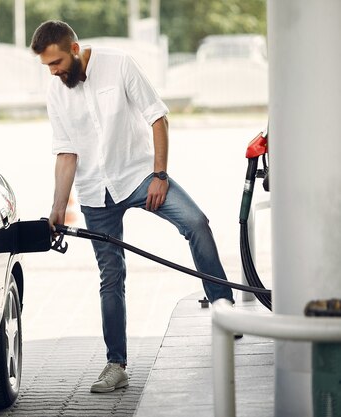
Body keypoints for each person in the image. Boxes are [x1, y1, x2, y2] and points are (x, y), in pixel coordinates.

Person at [30, 20, 235, 394]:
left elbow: (158, 117)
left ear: (74, 49)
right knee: (111, 276)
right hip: (95, 192)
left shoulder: (119, 64)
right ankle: (116, 364)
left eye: (56, 62)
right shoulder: (56, 91)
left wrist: (160, 174)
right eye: (48, 66)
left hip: (139, 175)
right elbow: (66, 152)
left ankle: (225, 308)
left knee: (196, 222)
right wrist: (58, 208)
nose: (54, 71)